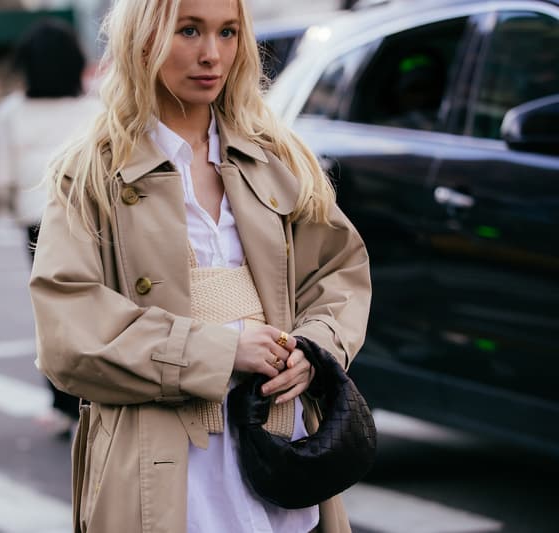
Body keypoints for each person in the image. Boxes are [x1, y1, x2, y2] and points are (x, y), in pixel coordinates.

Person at [28, 0, 372, 532]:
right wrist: (221, 349)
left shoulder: (276, 158)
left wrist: (313, 349)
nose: (212, 54)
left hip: (278, 447)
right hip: (161, 463)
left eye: (228, 32)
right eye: (189, 30)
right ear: (143, 39)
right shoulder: (92, 173)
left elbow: (338, 274)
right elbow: (68, 334)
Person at [0, 17, 101, 438]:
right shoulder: (95, 110)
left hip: (39, 223)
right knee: (99, 307)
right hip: (92, 218)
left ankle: (63, 401)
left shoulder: (10, 112)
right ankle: (98, 393)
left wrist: (9, 206)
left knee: (53, 313)